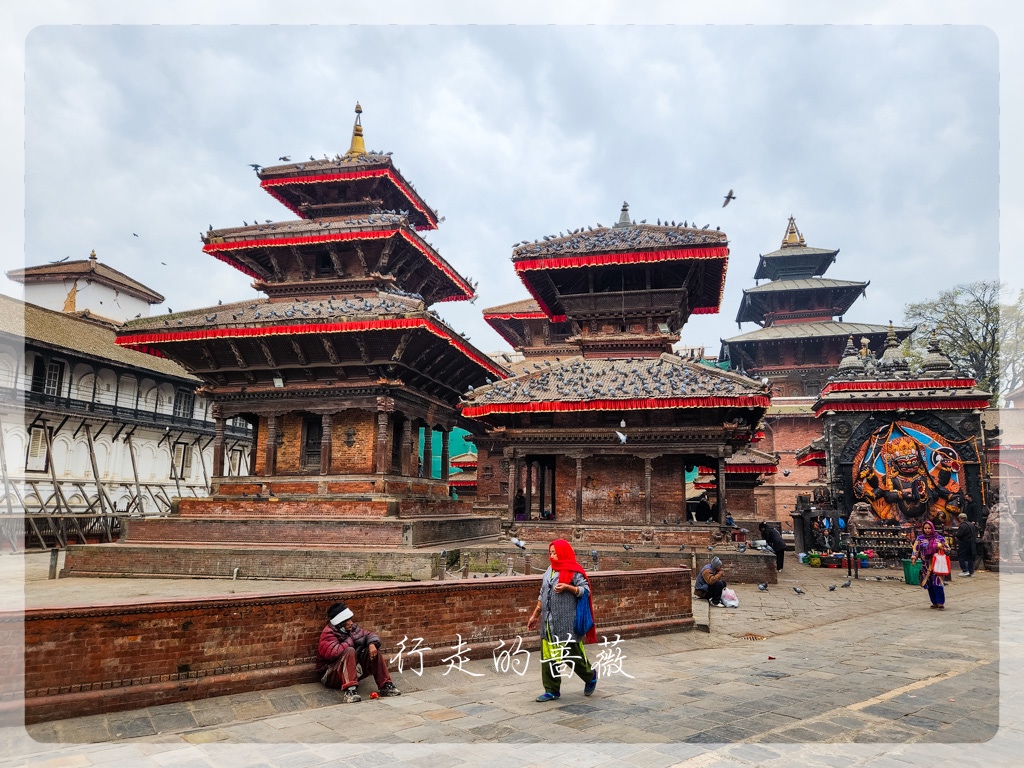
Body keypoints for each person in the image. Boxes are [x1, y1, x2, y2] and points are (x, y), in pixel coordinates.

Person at [526, 539, 598, 702]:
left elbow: (585, 590)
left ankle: (590, 675)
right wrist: (535, 615)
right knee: (548, 657)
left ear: (563, 553)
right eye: (550, 552)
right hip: (548, 622)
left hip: (566, 623)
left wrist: (568, 587)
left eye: (555, 553)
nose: (552, 556)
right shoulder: (549, 570)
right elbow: (543, 593)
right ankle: (551, 690)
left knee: (571, 655)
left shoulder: (574, 571)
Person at [316, 601, 401, 703]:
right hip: (330, 675)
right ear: (341, 623)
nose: (351, 622)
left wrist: (371, 644)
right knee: (349, 650)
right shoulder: (328, 633)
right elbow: (333, 653)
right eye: (348, 620)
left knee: (373, 650)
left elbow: (369, 635)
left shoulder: (352, 629)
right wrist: (350, 640)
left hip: (351, 669)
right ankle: (350, 691)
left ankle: (386, 685)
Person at [911, 520, 947, 610]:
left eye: (929, 528)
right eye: (925, 528)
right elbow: (916, 549)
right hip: (925, 565)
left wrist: (941, 547)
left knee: (937, 582)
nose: (927, 530)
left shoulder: (939, 538)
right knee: (929, 583)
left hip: (937, 563)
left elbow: (947, 548)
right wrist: (914, 558)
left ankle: (940, 602)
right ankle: (934, 602)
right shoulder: (920, 538)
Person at [954, 512, 977, 577]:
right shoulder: (971, 525)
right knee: (970, 557)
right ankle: (971, 572)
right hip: (972, 543)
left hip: (964, 543)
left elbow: (959, 534)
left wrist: (955, 534)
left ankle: (965, 570)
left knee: (961, 556)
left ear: (961, 518)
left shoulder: (963, 526)